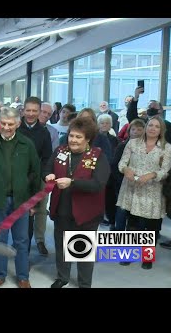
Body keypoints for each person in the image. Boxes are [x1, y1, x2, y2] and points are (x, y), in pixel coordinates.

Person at [0, 107, 41, 288]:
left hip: (22, 201)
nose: (6, 127)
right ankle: (0, 275)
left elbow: (36, 174)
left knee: (21, 240)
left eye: (10, 124)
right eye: (3, 123)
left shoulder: (27, 144)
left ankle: (23, 277)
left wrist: (35, 203)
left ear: (18, 124)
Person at [45, 117, 110, 288]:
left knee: (82, 249)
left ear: (88, 138)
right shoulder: (60, 151)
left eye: (78, 137)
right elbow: (47, 167)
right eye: (71, 136)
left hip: (86, 213)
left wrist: (72, 183)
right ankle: (62, 276)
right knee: (61, 246)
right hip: (62, 210)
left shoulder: (97, 156)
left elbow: (98, 184)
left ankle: (84, 283)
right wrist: (48, 175)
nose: (73, 140)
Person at [116, 116, 171, 269]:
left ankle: (147, 257)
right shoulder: (133, 143)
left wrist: (152, 175)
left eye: (156, 126)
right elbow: (122, 162)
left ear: (161, 130)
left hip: (152, 190)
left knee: (151, 227)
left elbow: (165, 171)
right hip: (131, 187)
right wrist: (126, 169)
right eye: (150, 125)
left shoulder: (166, 147)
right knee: (132, 225)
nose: (152, 128)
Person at [17, 96, 52, 256]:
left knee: (39, 210)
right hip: (18, 178)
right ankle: (21, 243)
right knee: (20, 212)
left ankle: (39, 240)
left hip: (38, 178)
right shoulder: (16, 129)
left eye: (34, 111)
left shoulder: (43, 133)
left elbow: (47, 157)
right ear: (23, 110)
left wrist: (43, 176)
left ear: (39, 112)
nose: (31, 114)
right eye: (28, 110)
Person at [112, 119, 146, 231]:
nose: (136, 132)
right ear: (129, 131)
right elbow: (116, 166)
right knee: (122, 212)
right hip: (123, 184)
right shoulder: (122, 146)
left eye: (140, 129)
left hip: (140, 185)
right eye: (133, 129)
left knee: (137, 214)